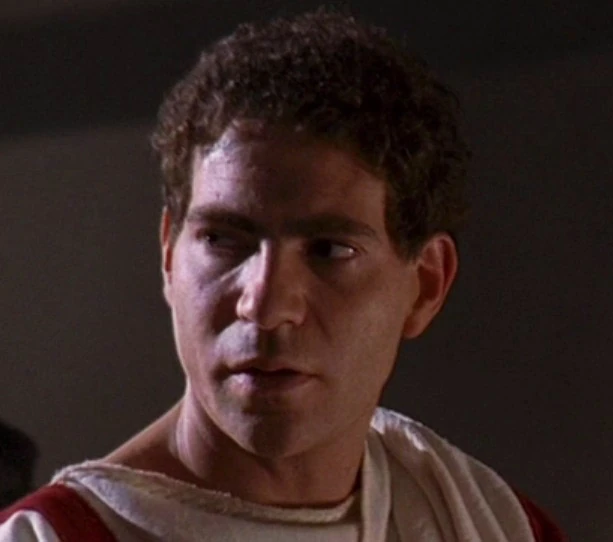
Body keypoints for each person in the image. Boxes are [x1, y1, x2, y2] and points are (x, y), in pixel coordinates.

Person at [0, 8, 567, 541]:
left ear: (426, 285)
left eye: (328, 250)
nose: (265, 305)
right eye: (223, 240)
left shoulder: (491, 525)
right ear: (170, 254)